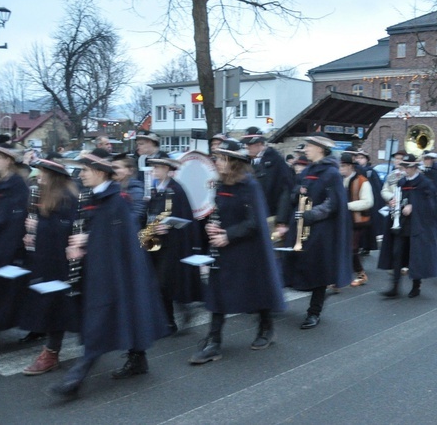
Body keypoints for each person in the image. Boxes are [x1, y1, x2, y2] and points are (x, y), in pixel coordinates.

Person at [49, 149, 169, 398]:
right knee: (120, 315)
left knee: (100, 321)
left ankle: (75, 379)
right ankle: (138, 359)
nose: (80, 174)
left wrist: (87, 240)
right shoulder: (97, 197)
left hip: (113, 273)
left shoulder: (116, 201)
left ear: (100, 173)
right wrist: (82, 242)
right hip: (102, 269)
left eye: (85, 170)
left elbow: (118, 240)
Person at [189, 139, 286, 364]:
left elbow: (254, 222)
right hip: (225, 248)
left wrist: (228, 235)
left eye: (222, 159)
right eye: (218, 158)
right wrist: (213, 226)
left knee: (256, 289)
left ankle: (266, 328)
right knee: (218, 291)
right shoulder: (221, 185)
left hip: (249, 249)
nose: (217, 163)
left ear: (234, 162)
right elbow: (221, 213)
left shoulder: (249, 185)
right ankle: (214, 342)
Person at [282, 135, 352, 329]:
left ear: (320, 149)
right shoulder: (308, 170)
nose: (306, 149)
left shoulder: (332, 173)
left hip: (321, 229)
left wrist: (311, 214)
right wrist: (298, 193)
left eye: (310, 146)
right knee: (296, 263)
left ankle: (314, 312)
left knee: (318, 270)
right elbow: (296, 192)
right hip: (301, 226)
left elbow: (333, 203)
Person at [19, 159, 80, 375]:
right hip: (47, 262)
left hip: (62, 264)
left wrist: (40, 227)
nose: (39, 177)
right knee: (54, 307)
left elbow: (67, 231)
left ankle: (51, 353)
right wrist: (31, 230)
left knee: (58, 308)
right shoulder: (45, 196)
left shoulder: (68, 199)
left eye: (43, 174)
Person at [143, 157, 202, 334]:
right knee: (159, 283)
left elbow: (185, 219)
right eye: (154, 167)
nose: (155, 170)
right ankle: (172, 316)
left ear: (169, 170)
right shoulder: (155, 190)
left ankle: (171, 320)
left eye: (159, 167)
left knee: (164, 283)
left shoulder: (176, 190)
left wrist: (169, 225)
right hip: (156, 243)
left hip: (173, 245)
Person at [378, 154, 437, 297]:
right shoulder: (401, 183)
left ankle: (416, 286)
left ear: (414, 167)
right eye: (403, 166)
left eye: (407, 167)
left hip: (418, 226)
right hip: (402, 224)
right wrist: (394, 203)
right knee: (397, 254)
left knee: (416, 257)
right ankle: (394, 286)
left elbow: (432, 205)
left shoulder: (425, 183)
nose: (404, 170)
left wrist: (414, 207)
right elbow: (400, 198)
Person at [0, 144, 29, 332]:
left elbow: (14, 219)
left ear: (8, 160)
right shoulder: (0, 181)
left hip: (4, 247)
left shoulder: (16, 184)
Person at [242, 127, 293, 238]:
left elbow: (286, 191)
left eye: (249, 145)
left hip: (270, 215)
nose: (247, 147)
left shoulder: (275, 161)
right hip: (254, 217)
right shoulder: (249, 161)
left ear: (260, 144)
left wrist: (281, 221)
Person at [339, 152, 374, 287]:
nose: (341, 169)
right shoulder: (339, 180)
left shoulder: (362, 181)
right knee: (341, 248)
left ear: (350, 167)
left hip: (358, 221)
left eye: (343, 166)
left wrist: (346, 206)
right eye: (340, 166)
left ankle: (360, 273)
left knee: (352, 248)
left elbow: (368, 202)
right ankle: (341, 277)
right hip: (342, 220)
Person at [111, 153, 146, 224]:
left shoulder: (136, 190)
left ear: (130, 170)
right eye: (111, 168)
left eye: (116, 168)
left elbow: (136, 216)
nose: (112, 171)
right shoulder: (113, 187)